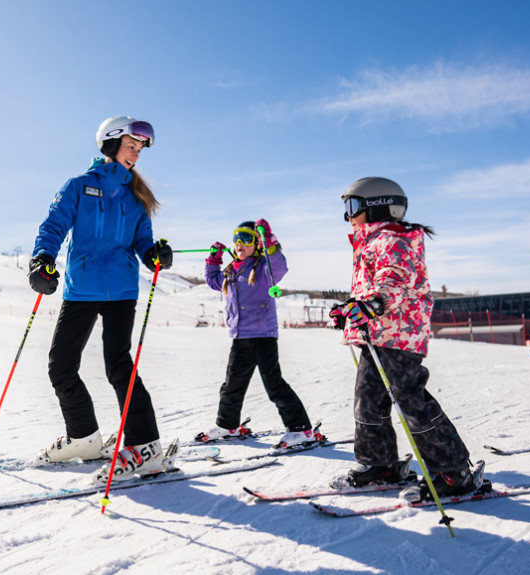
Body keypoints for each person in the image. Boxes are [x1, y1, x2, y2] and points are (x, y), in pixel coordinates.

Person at [29, 116, 173, 481]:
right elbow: (54, 225)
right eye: (131, 147)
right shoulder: (79, 186)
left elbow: (143, 240)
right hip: (82, 288)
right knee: (61, 366)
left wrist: (154, 254)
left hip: (122, 289)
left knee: (118, 365)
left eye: (140, 151)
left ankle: (145, 448)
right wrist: (42, 258)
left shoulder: (136, 196)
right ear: (110, 144)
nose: (135, 155)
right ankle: (84, 437)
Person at [329, 177, 476, 499]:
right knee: (367, 404)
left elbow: (393, 278)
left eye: (352, 207)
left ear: (377, 206)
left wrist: (372, 304)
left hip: (399, 335)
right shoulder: (371, 240)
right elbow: (372, 285)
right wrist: (352, 309)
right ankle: (378, 465)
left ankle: (453, 471)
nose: (347, 216)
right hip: (377, 334)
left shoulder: (396, 239)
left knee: (411, 402)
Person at [196, 219, 315, 448]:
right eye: (236, 238)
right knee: (232, 383)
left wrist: (271, 244)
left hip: (263, 336)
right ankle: (227, 424)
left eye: (247, 238)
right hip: (240, 336)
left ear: (257, 243)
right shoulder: (231, 270)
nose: (240, 243)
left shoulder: (264, 268)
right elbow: (212, 281)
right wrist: (213, 259)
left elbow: (279, 266)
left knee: (273, 383)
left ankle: (301, 428)